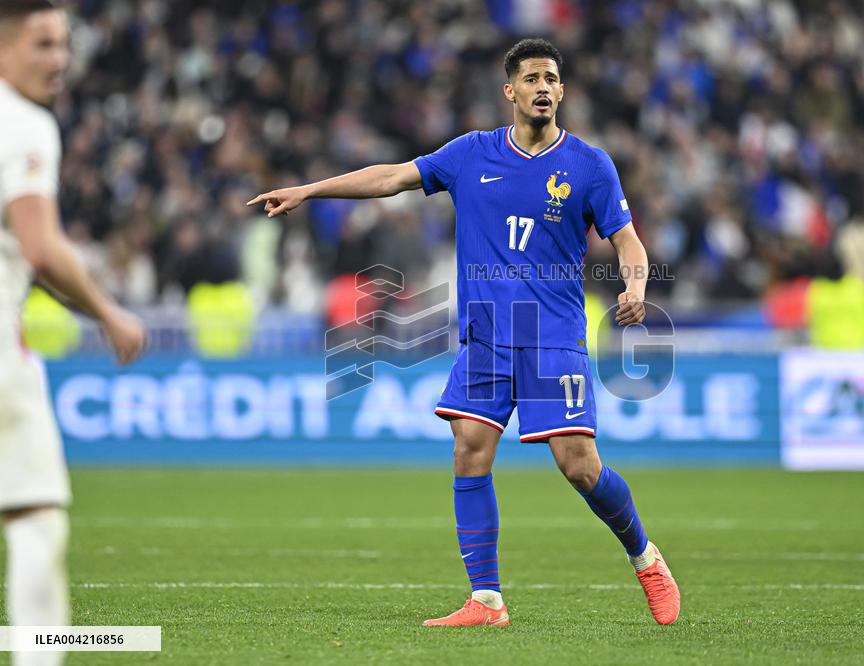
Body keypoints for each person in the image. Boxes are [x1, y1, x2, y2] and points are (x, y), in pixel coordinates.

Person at [249, 38, 680, 627]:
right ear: (510, 91)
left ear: (563, 90)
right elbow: (391, 178)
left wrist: (635, 289)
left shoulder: (588, 164)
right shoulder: (470, 154)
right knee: (469, 451)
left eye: (552, 78)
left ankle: (646, 557)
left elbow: (627, 240)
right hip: (487, 337)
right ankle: (486, 600)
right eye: (531, 79)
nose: (543, 88)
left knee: (578, 464)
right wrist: (310, 189)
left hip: (551, 334)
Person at [0, 3, 146, 663]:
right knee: (35, 518)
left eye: (64, 44)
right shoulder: (23, 123)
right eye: (42, 44)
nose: (59, 60)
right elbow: (41, 246)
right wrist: (108, 310)